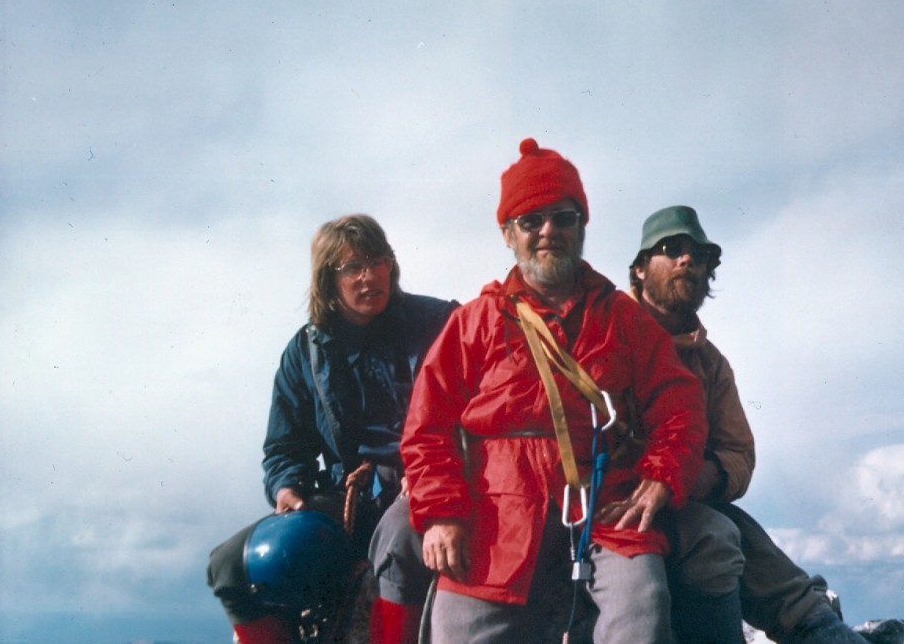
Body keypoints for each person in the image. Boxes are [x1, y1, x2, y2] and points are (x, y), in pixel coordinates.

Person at [395, 138, 708, 643]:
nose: (548, 232)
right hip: (497, 512)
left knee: (643, 607)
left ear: (582, 226)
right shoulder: (474, 322)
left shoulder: (623, 317)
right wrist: (442, 515)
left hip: (605, 502)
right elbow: (426, 426)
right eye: (531, 220)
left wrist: (662, 477)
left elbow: (680, 404)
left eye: (563, 218)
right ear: (507, 234)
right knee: (458, 633)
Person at [206, 214, 457, 644]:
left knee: (396, 545)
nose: (369, 276)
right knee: (230, 564)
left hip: (427, 485)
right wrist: (288, 489)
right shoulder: (304, 352)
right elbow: (285, 447)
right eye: (352, 268)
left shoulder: (440, 324)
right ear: (327, 280)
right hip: (349, 500)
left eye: (378, 261)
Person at [629, 205, 869, 644]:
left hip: (683, 500)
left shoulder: (710, 364)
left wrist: (699, 478)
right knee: (720, 534)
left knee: (737, 531)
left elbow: (738, 454)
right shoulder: (607, 335)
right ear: (641, 269)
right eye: (672, 249)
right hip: (617, 500)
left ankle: (818, 627)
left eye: (698, 256)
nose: (687, 261)